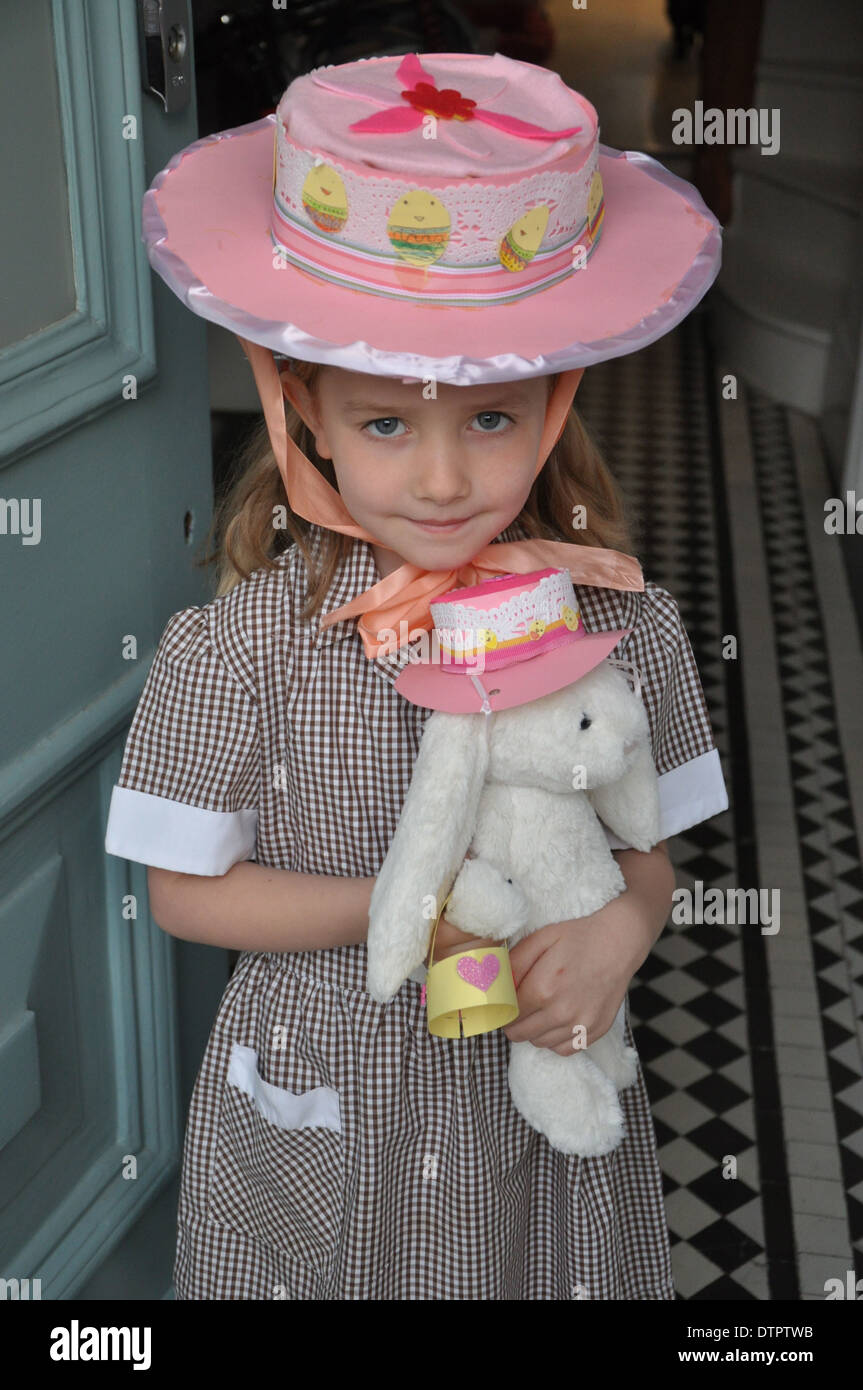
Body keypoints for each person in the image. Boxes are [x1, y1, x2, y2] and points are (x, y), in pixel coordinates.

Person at [105, 50, 728, 1299]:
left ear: (552, 406)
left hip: (529, 1105)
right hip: (327, 1103)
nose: (443, 480)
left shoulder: (625, 627)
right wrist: (412, 907)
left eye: (489, 419)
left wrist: (619, 927)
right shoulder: (237, 650)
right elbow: (183, 894)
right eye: (386, 423)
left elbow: (648, 851)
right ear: (305, 417)